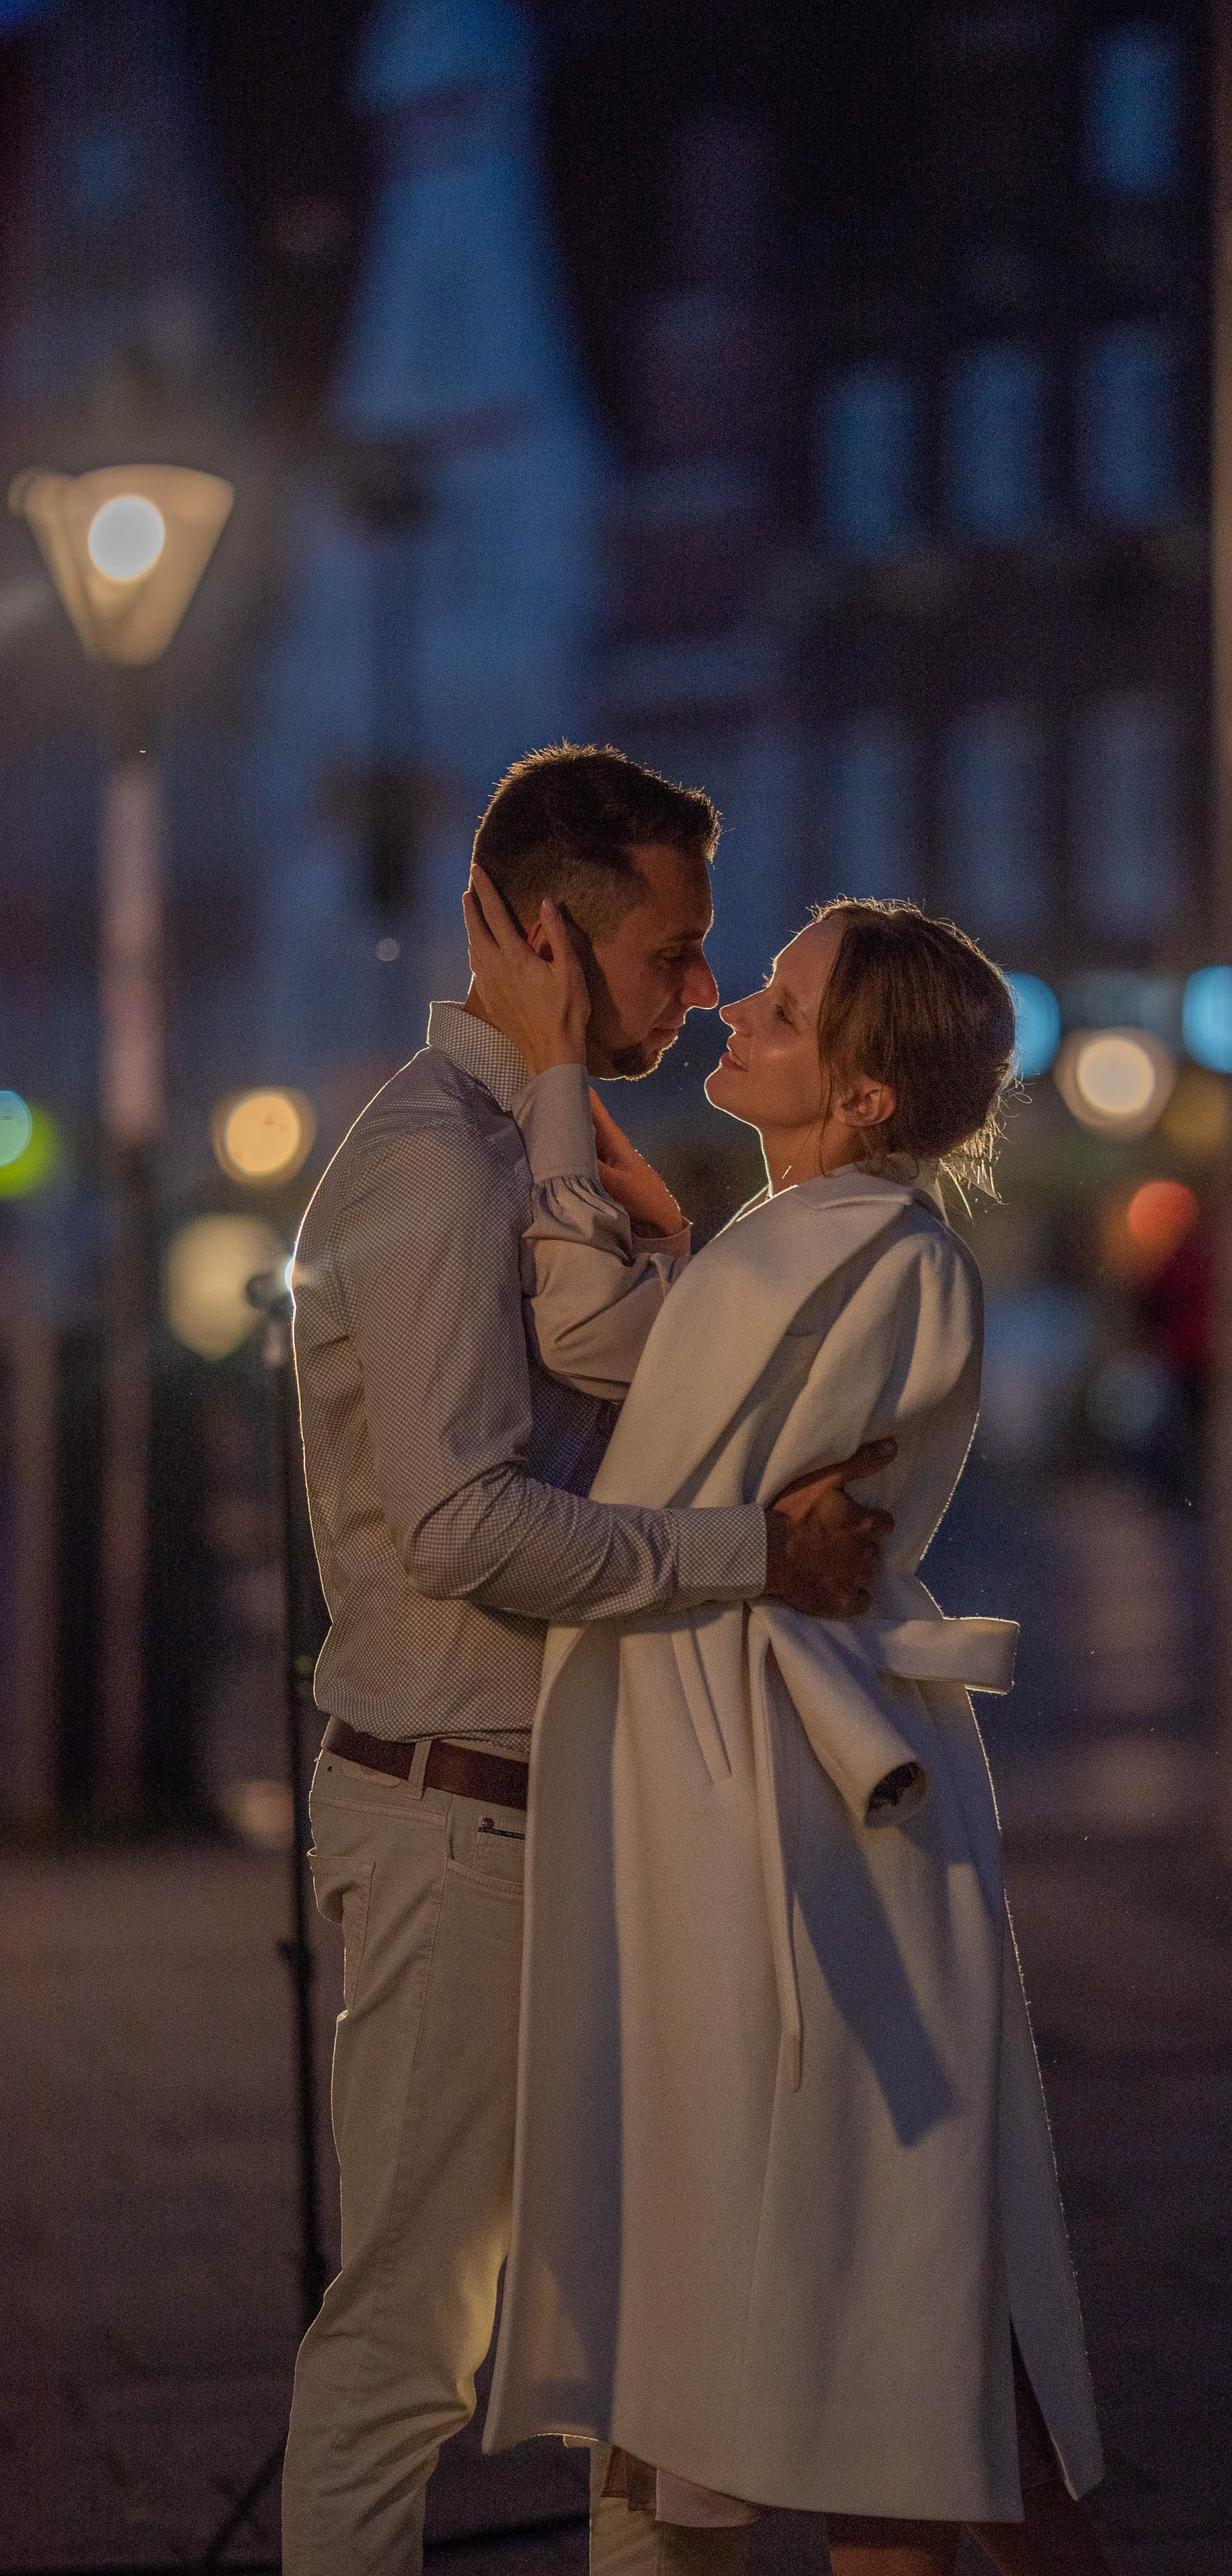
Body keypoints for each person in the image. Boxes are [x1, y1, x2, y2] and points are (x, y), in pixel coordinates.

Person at [280, 746, 894, 2576]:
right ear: (556, 939)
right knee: (409, 2342)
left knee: (651, 2345)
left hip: (583, 1818)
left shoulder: (532, 1148)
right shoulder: (430, 1167)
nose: (700, 989)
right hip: (461, 1824)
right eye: (674, 950)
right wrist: (746, 1565)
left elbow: (637, 1379)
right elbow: (466, 1523)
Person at [477, 896, 1109, 2576]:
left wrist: (553, 1090)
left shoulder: (846, 1259)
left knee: (862, 2278)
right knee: (903, 2274)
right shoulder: (829, 1254)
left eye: (784, 1001)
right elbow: (680, 1387)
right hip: (793, 1781)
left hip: (784, 1800)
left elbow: (610, 1388)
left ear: (866, 1095)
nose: (735, 1009)